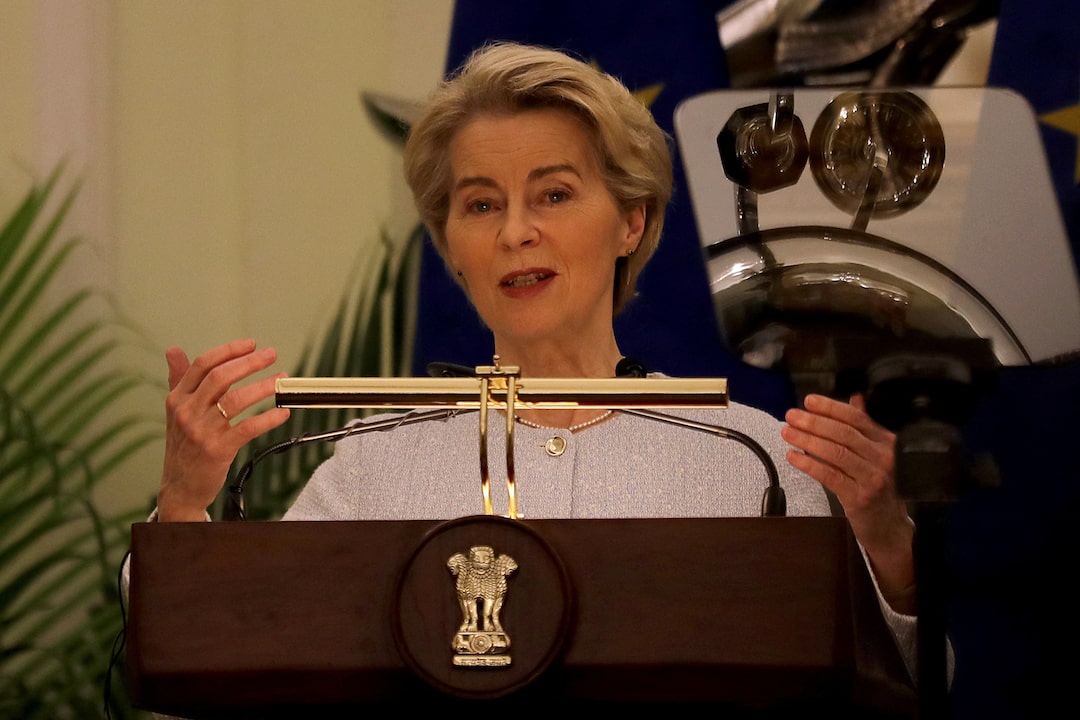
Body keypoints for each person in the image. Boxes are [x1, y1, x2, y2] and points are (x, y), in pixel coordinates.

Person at [149, 41, 929, 690]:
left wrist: (891, 549)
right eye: (481, 205)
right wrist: (183, 508)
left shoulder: (748, 458)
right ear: (453, 247)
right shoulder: (374, 464)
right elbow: (225, 673)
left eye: (553, 195)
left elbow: (908, 684)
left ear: (631, 221)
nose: (515, 232)